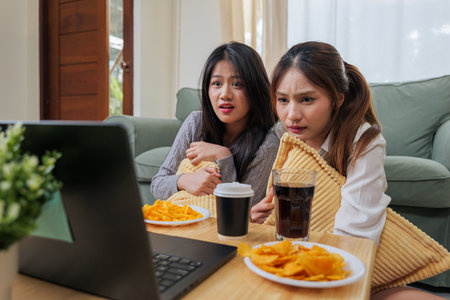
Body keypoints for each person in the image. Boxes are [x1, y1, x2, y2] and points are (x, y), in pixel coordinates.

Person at [250, 41, 444, 300]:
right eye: (283, 100)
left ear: (338, 99)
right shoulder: (283, 136)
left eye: (307, 99)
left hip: (345, 263)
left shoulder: (364, 140)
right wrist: (254, 216)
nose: (291, 115)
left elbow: (355, 233)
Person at [151, 41, 279, 208]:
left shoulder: (269, 144)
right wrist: (185, 180)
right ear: (207, 89)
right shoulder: (196, 122)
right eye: (217, 83)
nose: (225, 94)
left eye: (237, 84)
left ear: (255, 88)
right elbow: (157, 183)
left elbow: (244, 212)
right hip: (184, 222)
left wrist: (224, 157)